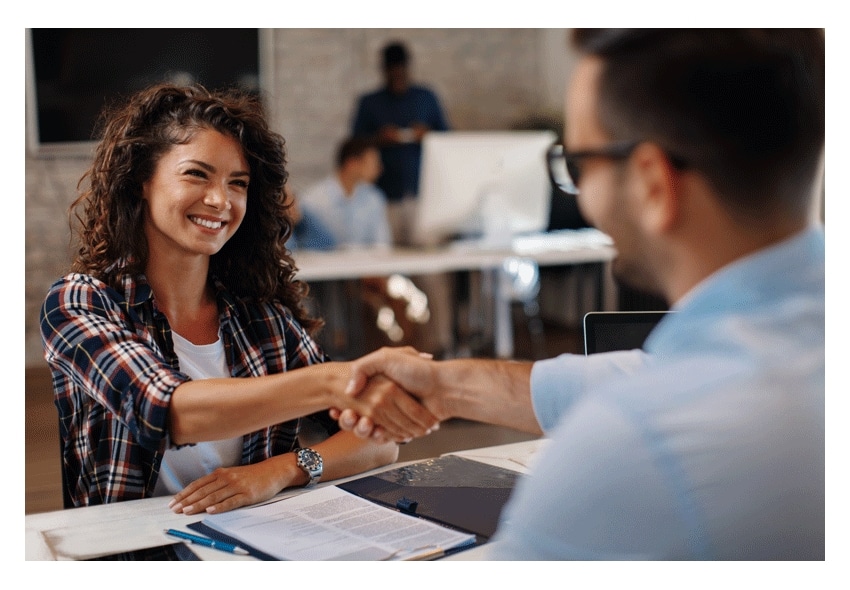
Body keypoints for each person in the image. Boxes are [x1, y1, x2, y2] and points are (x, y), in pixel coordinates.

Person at [336, 29, 825, 560]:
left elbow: (642, 403)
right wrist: (442, 387)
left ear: (653, 185)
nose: (579, 192)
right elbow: (633, 374)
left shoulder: (629, 450)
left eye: (579, 165)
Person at [39, 83, 415, 515]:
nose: (220, 200)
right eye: (197, 174)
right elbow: (166, 412)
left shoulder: (263, 319)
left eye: (237, 183)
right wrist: (332, 382)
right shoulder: (79, 302)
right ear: (142, 180)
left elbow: (380, 441)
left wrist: (281, 470)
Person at [351, 40, 450, 246]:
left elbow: (448, 139)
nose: (397, 77)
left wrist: (427, 135)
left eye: (401, 72)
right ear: (384, 71)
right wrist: (380, 138)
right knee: (388, 258)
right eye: (392, 72)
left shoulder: (426, 97)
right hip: (384, 196)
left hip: (423, 194)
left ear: (408, 69)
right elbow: (354, 145)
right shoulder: (370, 103)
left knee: (429, 266)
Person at [298, 137, 392, 249]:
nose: (379, 169)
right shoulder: (313, 200)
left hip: (366, 264)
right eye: (373, 162)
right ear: (352, 163)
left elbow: (382, 245)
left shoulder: (374, 198)